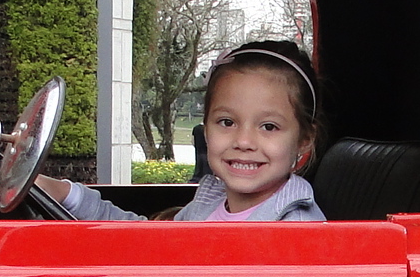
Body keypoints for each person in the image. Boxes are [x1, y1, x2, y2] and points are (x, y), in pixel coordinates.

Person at [37, 40, 325, 222]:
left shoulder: (297, 228)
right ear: (206, 127)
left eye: (269, 126)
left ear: (304, 140)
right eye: (227, 122)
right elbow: (149, 243)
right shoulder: (209, 203)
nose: (244, 141)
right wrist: (67, 194)